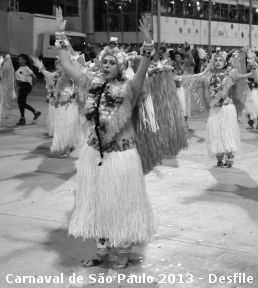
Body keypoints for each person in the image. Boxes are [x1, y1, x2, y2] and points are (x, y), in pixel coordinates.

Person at [55, 7, 155, 269]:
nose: (107, 65)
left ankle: (121, 250)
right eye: (104, 61)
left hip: (121, 156)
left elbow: (143, 71)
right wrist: (60, 34)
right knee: (97, 201)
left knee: (120, 203)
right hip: (93, 154)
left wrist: (147, 44)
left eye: (112, 62)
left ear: (121, 66)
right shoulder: (91, 83)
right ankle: (102, 248)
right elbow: (67, 65)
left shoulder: (131, 89)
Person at [15, 54, 41, 125]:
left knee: (21, 102)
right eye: (19, 59)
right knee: (21, 102)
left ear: (25, 60)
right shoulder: (20, 68)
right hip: (22, 85)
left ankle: (23, 118)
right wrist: (17, 86)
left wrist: (33, 85)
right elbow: (18, 78)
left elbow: (34, 76)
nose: (19, 60)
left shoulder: (26, 68)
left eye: (21, 59)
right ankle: (34, 113)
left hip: (26, 85)